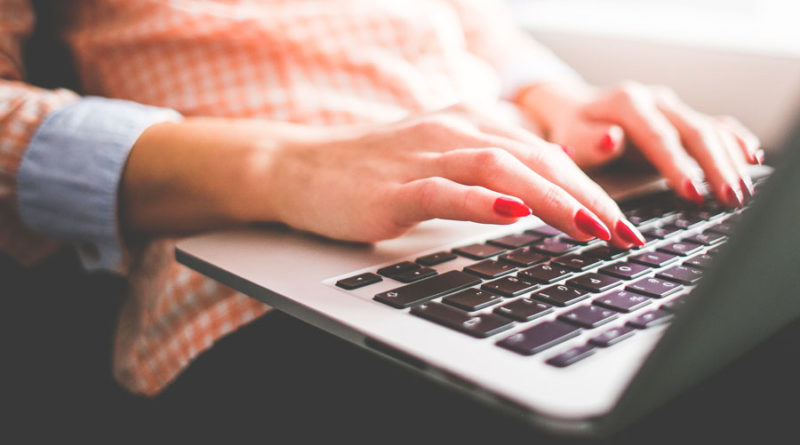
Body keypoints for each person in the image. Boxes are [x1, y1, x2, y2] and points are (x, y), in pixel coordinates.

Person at [0, 0, 761, 398]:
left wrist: (559, 97)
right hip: (267, 285)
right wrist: (285, 163)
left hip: (534, 209)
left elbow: (467, 26)